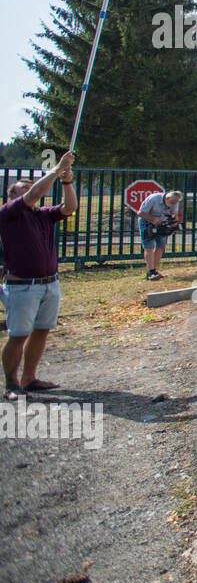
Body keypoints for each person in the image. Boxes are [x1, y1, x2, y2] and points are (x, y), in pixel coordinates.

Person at [0, 151, 77, 401]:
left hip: (49, 284)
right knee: (18, 334)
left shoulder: (42, 215)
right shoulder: (9, 213)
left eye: (31, 188)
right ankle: (11, 384)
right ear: (13, 196)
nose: (32, 192)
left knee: (42, 330)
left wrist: (66, 181)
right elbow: (33, 196)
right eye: (24, 189)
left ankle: (29, 378)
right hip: (22, 286)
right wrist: (56, 169)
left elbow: (70, 208)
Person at [136, 189, 183, 280]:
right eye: (171, 202)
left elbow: (174, 215)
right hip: (147, 222)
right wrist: (153, 219)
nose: (173, 204)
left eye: (175, 203)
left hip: (161, 222)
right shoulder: (154, 199)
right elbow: (140, 213)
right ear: (167, 197)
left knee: (161, 246)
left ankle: (155, 270)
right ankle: (150, 272)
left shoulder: (175, 202)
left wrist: (173, 225)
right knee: (149, 247)